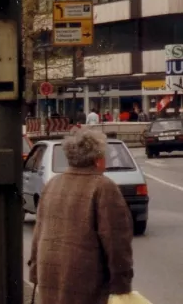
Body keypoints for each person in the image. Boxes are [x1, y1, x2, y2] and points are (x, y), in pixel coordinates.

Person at [29, 127, 134, 304]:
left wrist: (34, 272)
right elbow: (116, 241)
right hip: (85, 280)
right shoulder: (103, 187)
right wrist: (121, 285)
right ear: (98, 159)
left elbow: (38, 232)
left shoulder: (52, 185)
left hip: (49, 274)